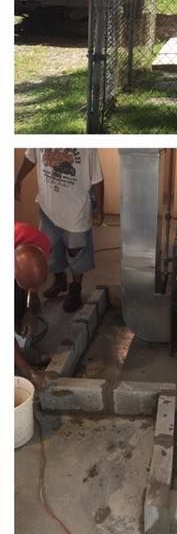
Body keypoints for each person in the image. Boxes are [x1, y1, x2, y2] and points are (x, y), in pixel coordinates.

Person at [15, 148, 104, 314]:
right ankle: (59, 280)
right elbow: (31, 156)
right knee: (49, 249)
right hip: (48, 208)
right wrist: (18, 178)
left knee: (76, 252)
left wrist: (99, 209)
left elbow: (97, 179)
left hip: (75, 210)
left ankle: (76, 289)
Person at [15, 221, 53, 390]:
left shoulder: (42, 243)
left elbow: (33, 281)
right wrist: (29, 373)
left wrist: (29, 311)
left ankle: (20, 345)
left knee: (23, 305)